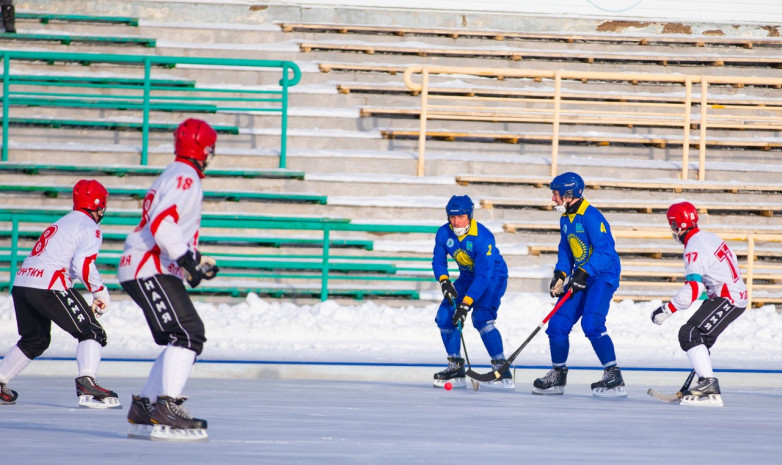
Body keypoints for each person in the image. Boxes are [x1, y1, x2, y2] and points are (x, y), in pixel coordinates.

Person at [118, 118, 219, 441]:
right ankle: (167, 406)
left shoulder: (177, 174)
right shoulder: (185, 176)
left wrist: (193, 262)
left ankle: (146, 405)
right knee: (188, 333)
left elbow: (170, 226)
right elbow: (163, 223)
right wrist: (186, 259)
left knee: (181, 336)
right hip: (148, 265)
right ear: (203, 149)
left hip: (153, 264)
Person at [0, 180, 119, 408]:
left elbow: (71, 262)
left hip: (23, 282)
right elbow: (83, 264)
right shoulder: (89, 227)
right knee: (92, 331)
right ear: (97, 204)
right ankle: (87, 381)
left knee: (35, 340)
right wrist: (100, 291)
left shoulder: (63, 222)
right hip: (49, 284)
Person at [533, 172, 625, 397]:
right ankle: (558, 374)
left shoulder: (591, 217)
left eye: (555, 194)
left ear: (568, 194)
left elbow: (605, 252)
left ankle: (613, 374)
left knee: (592, 324)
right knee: (556, 325)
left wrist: (583, 273)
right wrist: (561, 274)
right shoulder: (565, 218)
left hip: (602, 276)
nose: (553, 199)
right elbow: (566, 249)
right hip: (581, 275)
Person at [650, 201, 747, 407]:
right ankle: (704, 382)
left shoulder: (694, 247)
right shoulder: (709, 237)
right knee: (699, 338)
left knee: (689, 333)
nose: (673, 230)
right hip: (729, 294)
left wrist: (667, 309)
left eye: (673, 225)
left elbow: (693, 289)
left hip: (728, 297)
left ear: (680, 225)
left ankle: (708, 383)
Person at [432, 195, 513, 390]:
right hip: (468, 276)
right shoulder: (444, 233)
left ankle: (501, 368)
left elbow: (484, 275)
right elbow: (439, 260)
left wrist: (465, 304)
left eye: (460, 217)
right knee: (444, 317)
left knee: (482, 318)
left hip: (493, 276)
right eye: (451, 217)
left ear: (469, 215)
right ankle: (455, 367)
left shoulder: (483, 237)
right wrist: (444, 281)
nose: (456, 222)